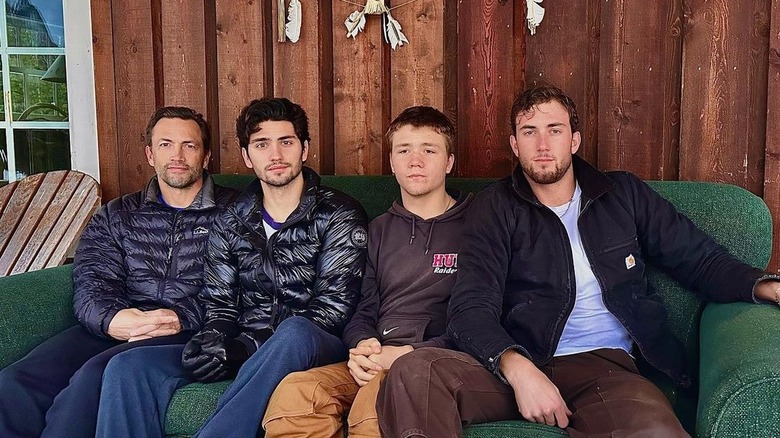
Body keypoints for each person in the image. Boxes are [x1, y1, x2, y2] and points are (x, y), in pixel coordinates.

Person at [376, 84, 780, 438]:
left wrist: (762, 284)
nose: (543, 145)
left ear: (574, 140)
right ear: (515, 145)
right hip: (516, 359)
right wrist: (517, 368)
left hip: (605, 367)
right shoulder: (494, 207)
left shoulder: (621, 194)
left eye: (554, 130)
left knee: (653, 431)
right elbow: (469, 307)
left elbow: (698, 259)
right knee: (416, 372)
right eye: (529, 132)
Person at [95, 97, 369, 438]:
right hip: (243, 342)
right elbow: (220, 303)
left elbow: (332, 310)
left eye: (286, 142)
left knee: (295, 331)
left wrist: (245, 348)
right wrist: (213, 340)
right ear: (246, 156)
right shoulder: (231, 217)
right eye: (261, 144)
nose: (275, 155)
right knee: (127, 366)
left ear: (304, 149)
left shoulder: (339, 213)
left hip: (317, 342)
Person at [0, 106, 238, 438]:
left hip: (185, 330)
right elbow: (92, 277)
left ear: (207, 156)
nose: (178, 155)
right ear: (150, 154)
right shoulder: (118, 214)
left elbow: (247, 288)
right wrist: (112, 319)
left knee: (90, 381)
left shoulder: (237, 213)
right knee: (15, 382)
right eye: (166, 144)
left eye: (190, 145)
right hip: (115, 323)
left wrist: (179, 318)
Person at [263, 106, 473, 438]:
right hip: (376, 355)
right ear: (391, 162)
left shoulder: (478, 226)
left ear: (448, 162)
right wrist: (363, 345)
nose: (414, 161)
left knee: (375, 403)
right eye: (404, 150)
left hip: (431, 361)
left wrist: (406, 353)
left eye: (428, 150)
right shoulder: (375, 230)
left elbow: (478, 317)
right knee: (296, 393)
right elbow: (362, 307)